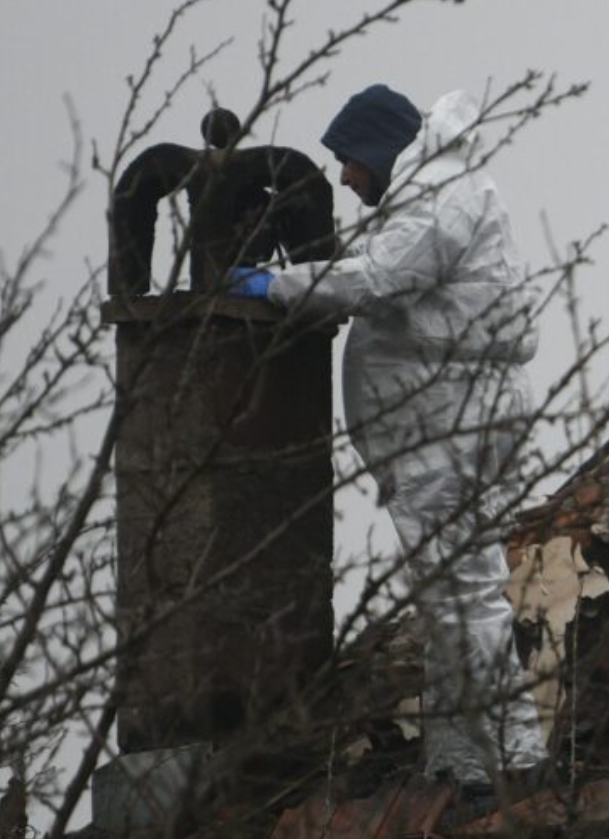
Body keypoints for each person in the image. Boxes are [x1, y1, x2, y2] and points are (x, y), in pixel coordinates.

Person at [228, 84, 545, 787]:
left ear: (376, 147)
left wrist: (276, 286)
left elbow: (375, 278)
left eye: (348, 159)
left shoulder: (437, 194)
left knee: (464, 597)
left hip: (450, 428)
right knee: (447, 603)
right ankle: (463, 762)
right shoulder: (435, 189)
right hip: (443, 426)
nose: (343, 176)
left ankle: (517, 760)